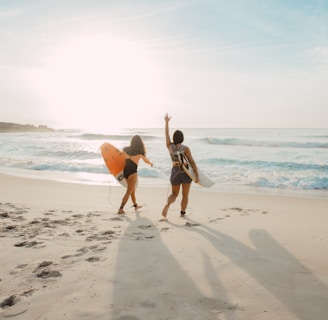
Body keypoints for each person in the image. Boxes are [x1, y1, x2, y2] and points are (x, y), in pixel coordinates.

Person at [161, 113, 199, 220]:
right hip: (185, 172)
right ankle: (182, 213)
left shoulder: (170, 146)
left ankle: (168, 205)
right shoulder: (186, 148)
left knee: (174, 194)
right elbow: (192, 162)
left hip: (175, 172)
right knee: (185, 195)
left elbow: (166, 134)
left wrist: (167, 122)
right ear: (182, 139)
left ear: (174, 138)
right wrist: (196, 175)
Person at [118, 135, 153, 214]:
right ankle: (121, 208)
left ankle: (135, 206)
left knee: (132, 190)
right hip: (132, 173)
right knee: (129, 191)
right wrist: (151, 163)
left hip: (125, 172)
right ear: (140, 143)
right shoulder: (139, 152)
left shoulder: (125, 149)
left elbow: (120, 158)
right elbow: (146, 160)